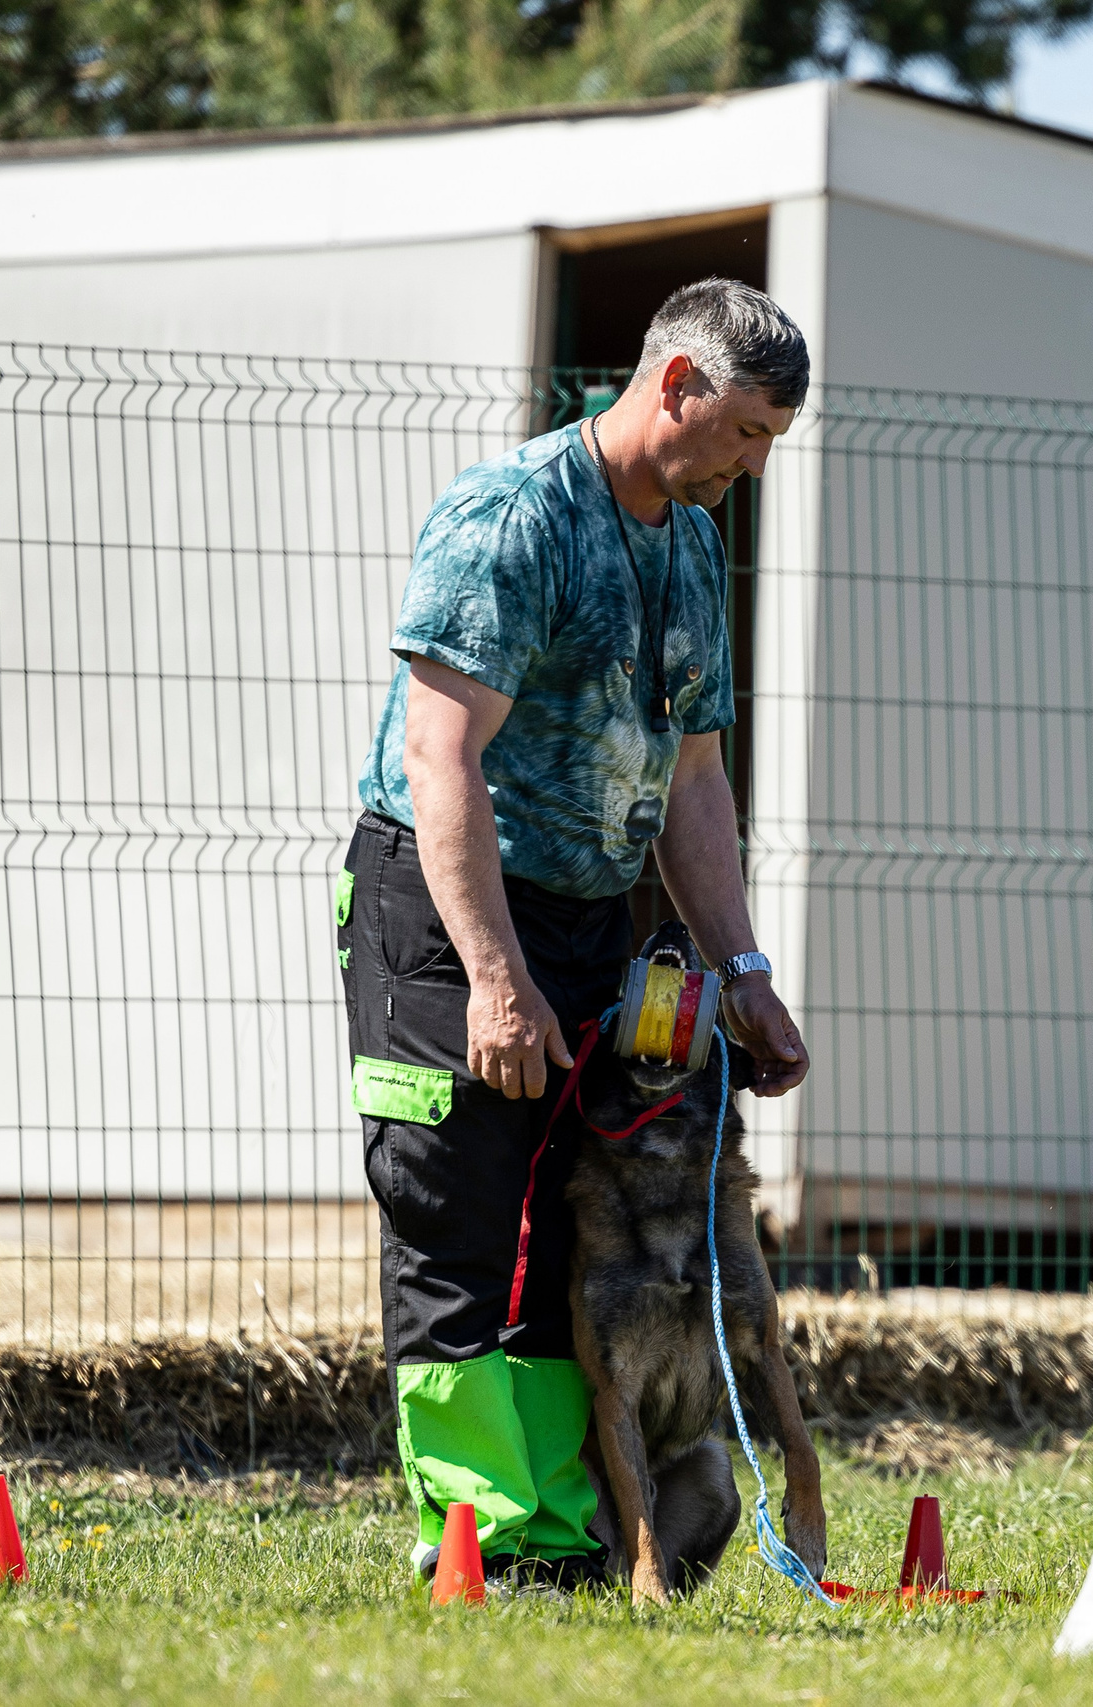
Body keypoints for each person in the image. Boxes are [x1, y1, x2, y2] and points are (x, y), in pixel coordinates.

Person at [338, 278, 814, 1587]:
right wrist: (494, 981)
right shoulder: (516, 517)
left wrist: (745, 969)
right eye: (748, 432)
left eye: (772, 439)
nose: (755, 463)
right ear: (673, 385)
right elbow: (441, 757)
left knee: (566, 1225)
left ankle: (579, 1546)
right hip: (448, 910)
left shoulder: (692, 542)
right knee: (460, 1219)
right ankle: (488, 1545)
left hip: (595, 916)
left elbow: (696, 779)